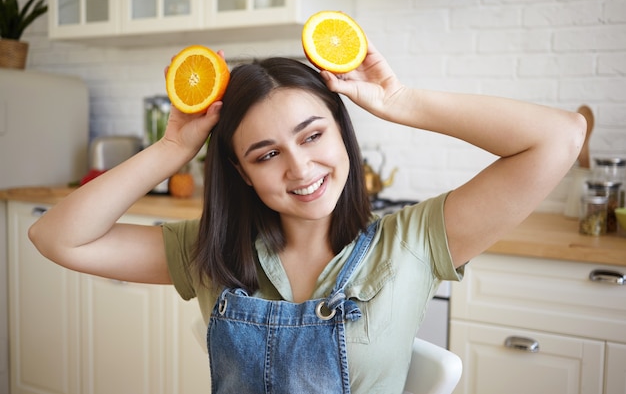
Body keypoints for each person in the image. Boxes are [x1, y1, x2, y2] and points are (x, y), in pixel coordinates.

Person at [29, 43, 585, 393]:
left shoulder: (413, 242)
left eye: (313, 135)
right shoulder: (210, 250)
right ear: (243, 173)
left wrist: (401, 100)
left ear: (342, 134)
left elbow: (559, 136)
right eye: (266, 154)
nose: (300, 168)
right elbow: (56, 238)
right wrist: (173, 148)